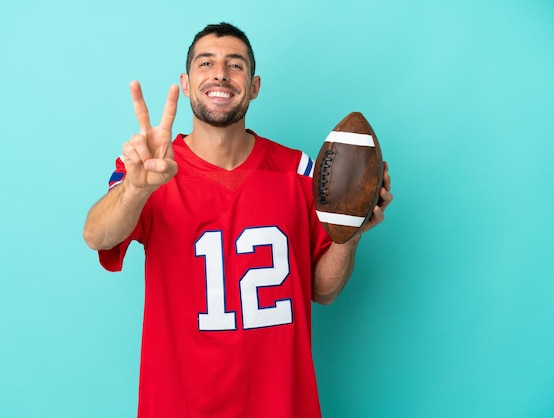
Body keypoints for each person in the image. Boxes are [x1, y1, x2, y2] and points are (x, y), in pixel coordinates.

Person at [83, 22, 392, 418]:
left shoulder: (299, 172)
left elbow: (323, 290)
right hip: (181, 407)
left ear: (255, 85)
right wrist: (137, 189)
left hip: (281, 406)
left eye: (236, 65)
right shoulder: (154, 169)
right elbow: (96, 235)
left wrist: (348, 235)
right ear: (187, 81)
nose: (220, 74)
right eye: (206, 63)